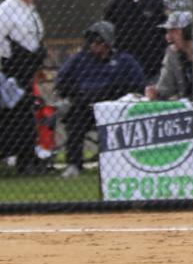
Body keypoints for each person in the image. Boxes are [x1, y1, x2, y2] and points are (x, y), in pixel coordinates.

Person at [54, 21, 146, 174]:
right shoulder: (79, 60)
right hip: (87, 108)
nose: (93, 45)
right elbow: (61, 82)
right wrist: (77, 93)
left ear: (108, 42)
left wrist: (116, 92)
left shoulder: (124, 60)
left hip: (116, 109)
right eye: (90, 41)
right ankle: (74, 165)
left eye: (98, 41)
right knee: (76, 117)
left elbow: (139, 85)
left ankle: (124, 165)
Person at [0, 0, 48, 172]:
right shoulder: (7, 10)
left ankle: (27, 155)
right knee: (18, 113)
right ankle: (24, 157)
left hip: (27, 67)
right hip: (11, 68)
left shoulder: (29, 8)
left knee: (26, 110)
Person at [105, 0, 168, 82]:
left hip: (153, 67)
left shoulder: (156, 3)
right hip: (124, 69)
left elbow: (164, 34)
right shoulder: (114, 5)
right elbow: (108, 36)